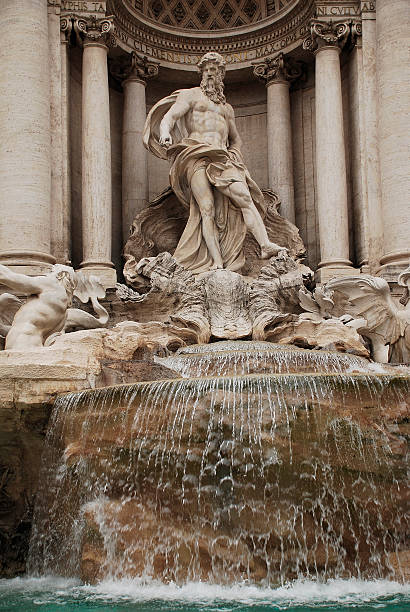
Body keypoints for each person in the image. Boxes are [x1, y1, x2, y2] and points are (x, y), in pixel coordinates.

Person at [143, 51, 286, 274]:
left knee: (245, 198)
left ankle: (265, 244)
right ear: (201, 73)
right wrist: (165, 133)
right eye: (207, 70)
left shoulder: (227, 109)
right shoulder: (191, 95)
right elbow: (170, 117)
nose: (211, 74)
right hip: (195, 154)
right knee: (206, 208)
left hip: (221, 158)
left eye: (215, 70)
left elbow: (235, 139)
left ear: (221, 75)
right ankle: (217, 263)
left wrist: (235, 155)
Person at [0, 264, 76, 350]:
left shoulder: (51, 284)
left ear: (60, 275)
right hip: (30, 345)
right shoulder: (63, 313)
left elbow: (9, 277)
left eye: (51, 272)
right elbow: (27, 328)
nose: (47, 275)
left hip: (22, 345)